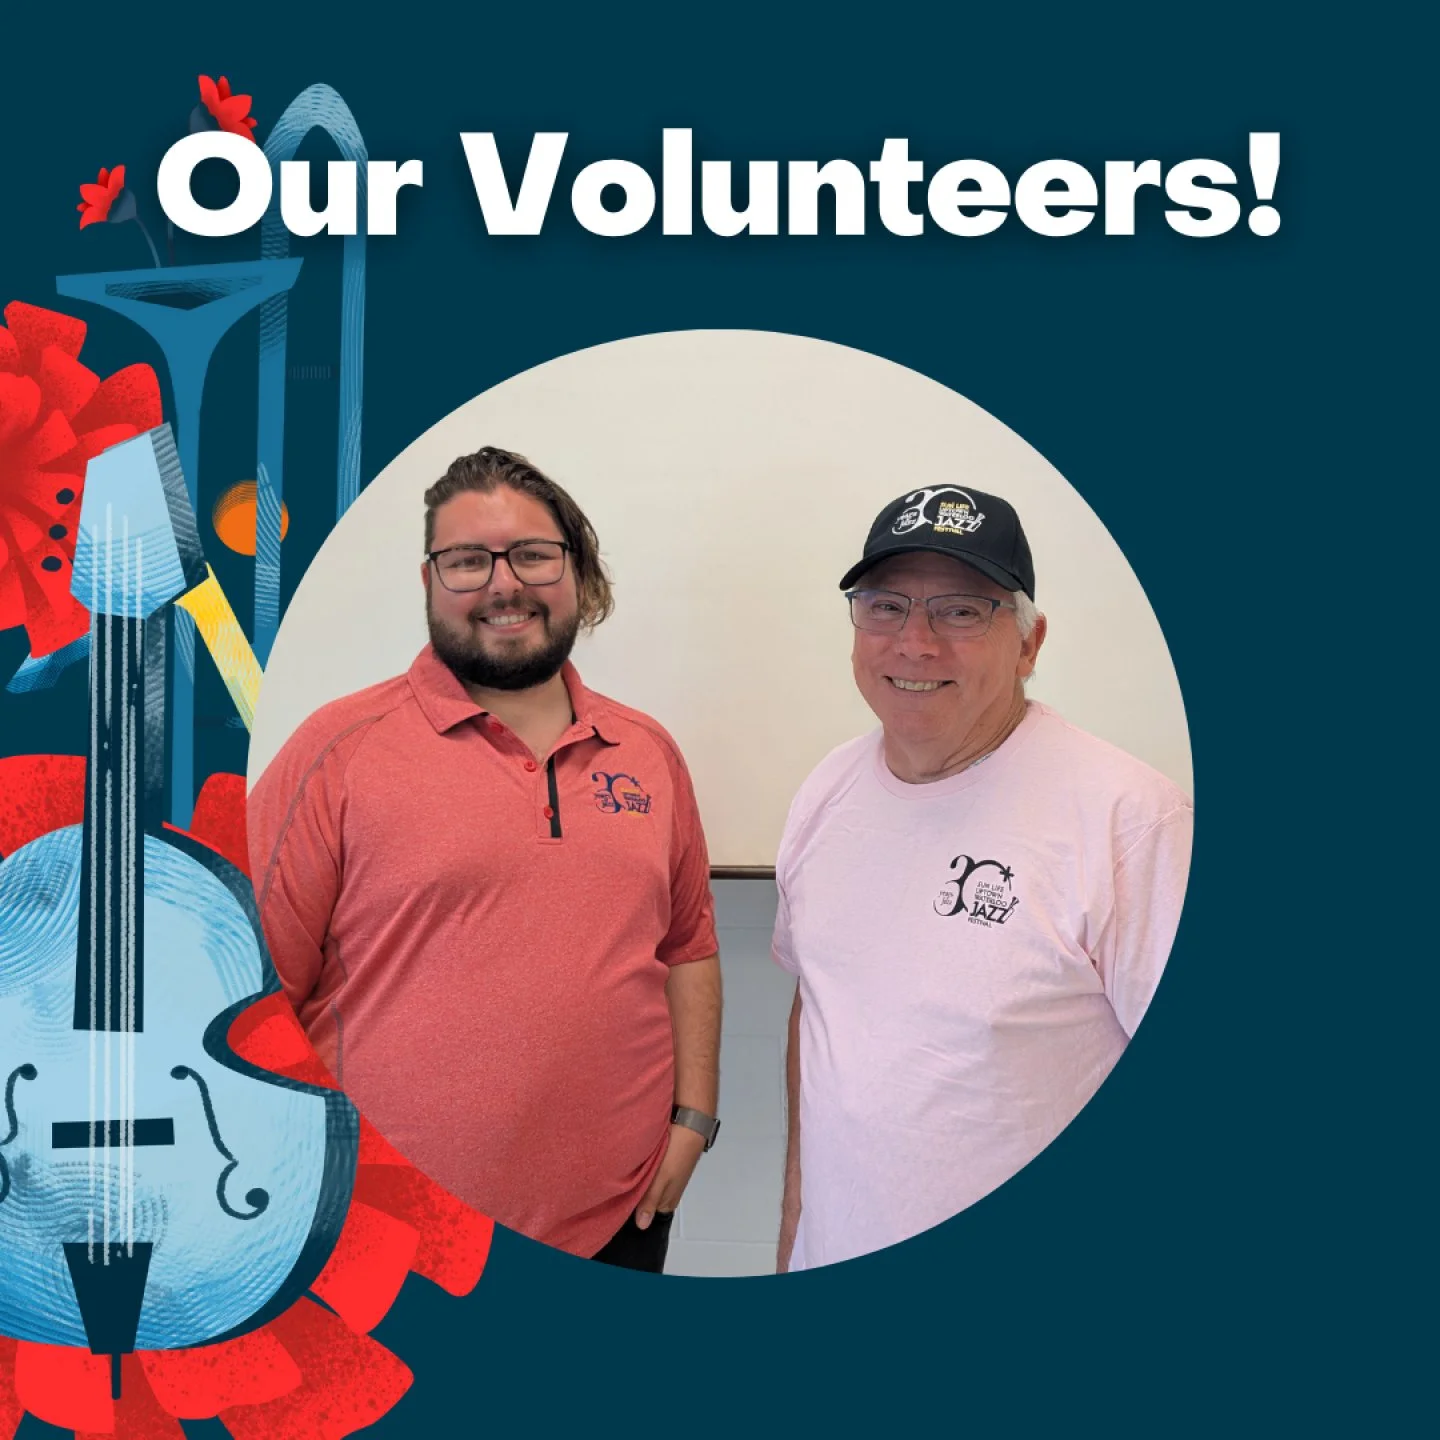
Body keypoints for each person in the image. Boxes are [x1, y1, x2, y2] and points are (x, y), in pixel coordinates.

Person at [248, 447, 722, 1271]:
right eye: (467, 560)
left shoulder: (647, 752)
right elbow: (245, 996)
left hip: (621, 1215)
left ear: (580, 573)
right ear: (429, 583)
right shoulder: (339, 752)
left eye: (533, 555)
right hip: (392, 1233)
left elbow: (687, 946)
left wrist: (694, 1122)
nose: (504, 584)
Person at [774, 484, 1192, 1271]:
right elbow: (818, 1020)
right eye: (885, 607)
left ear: (1029, 644)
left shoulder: (1130, 822)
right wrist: (796, 1227)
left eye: (962, 611)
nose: (915, 643)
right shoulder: (826, 792)